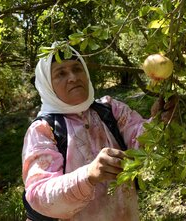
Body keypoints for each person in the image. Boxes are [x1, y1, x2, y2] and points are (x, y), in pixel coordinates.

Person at [22, 42, 176, 221]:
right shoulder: (43, 131)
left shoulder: (110, 109)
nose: (73, 77)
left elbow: (140, 142)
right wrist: (88, 175)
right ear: (47, 85)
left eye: (77, 69)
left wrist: (159, 121)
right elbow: (38, 195)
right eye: (61, 73)